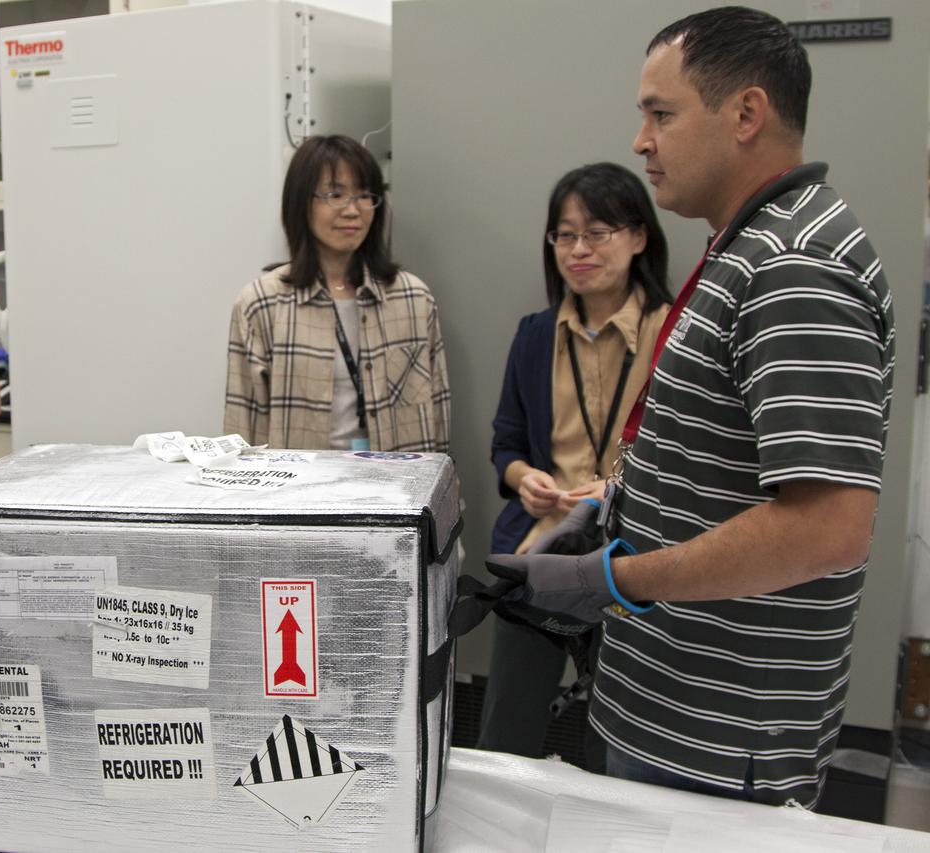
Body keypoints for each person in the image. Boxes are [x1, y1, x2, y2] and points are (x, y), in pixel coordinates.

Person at [482, 7, 892, 808]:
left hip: (717, 731)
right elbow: (719, 457)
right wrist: (611, 504)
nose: (641, 140)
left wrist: (614, 577)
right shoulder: (743, 243)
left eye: (660, 115)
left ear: (745, 114)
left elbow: (828, 524)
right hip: (664, 702)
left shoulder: (794, 264)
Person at [478, 163, 671, 763]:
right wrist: (524, 480)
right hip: (544, 547)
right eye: (564, 235)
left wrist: (613, 490)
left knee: (621, 742)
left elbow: (685, 460)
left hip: (638, 554)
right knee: (506, 733)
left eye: (598, 232)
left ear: (639, 236)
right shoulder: (536, 335)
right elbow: (504, 445)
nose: (579, 250)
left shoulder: (673, 332)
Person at [224, 134, 450, 453]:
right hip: (303, 496)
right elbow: (243, 432)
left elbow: (438, 413)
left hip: (395, 493)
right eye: (335, 194)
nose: (352, 210)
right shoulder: (262, 304)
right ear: (301, 202)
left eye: (364, 195)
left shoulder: (413, 298)